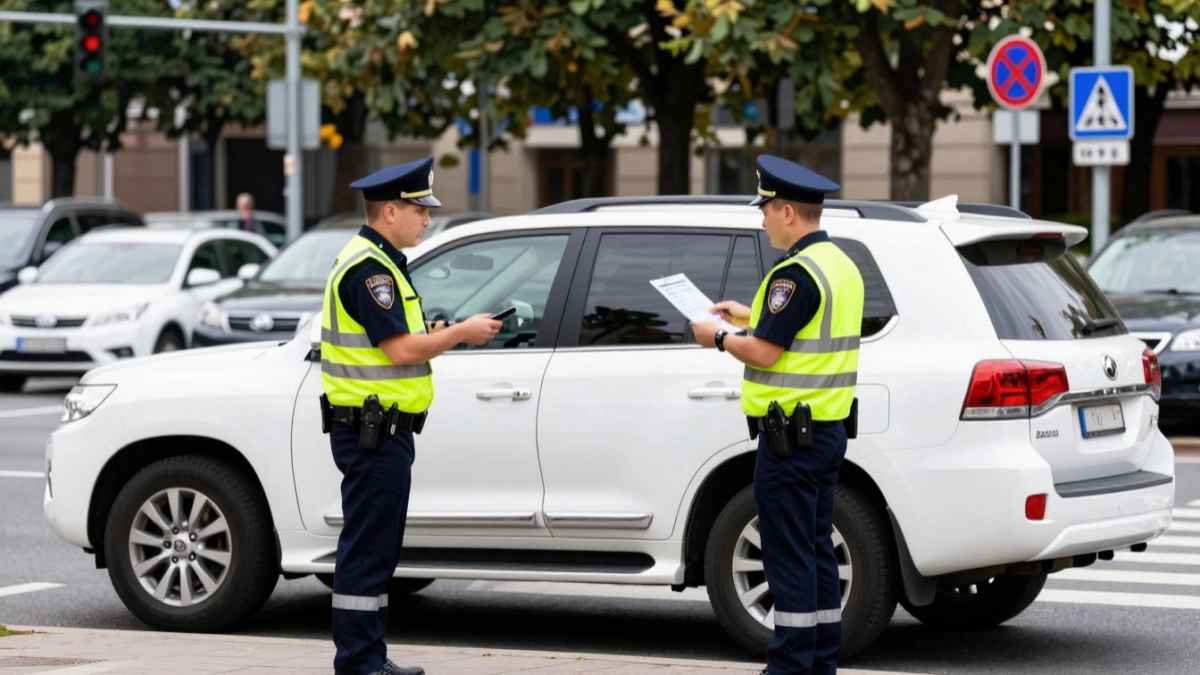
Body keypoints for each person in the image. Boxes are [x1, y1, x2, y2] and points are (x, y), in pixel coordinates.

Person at [320, 157, 501, 675]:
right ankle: (359, 664)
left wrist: (441, 330)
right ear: (391, 211)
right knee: (368, 550)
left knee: (375, 548)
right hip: (371, 431)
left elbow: (396, 342)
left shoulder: (379, 260)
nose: (428, 220)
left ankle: (367, 657)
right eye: (421, 211)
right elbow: (400, 351)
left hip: (376, 430)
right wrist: (460, 332)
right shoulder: (370, 269)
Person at [691, 155, 864, 675]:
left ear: (787, 211)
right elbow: (801, 331)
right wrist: (750, 315)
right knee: (815, 556)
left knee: (787, 560)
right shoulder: (839, 264)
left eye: (765, 208)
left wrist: (719, 337)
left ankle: (789, 668)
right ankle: (819, 663)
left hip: (790, 440)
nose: (762, 218)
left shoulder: (796, 273)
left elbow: (766, 352)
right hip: (826, 433)